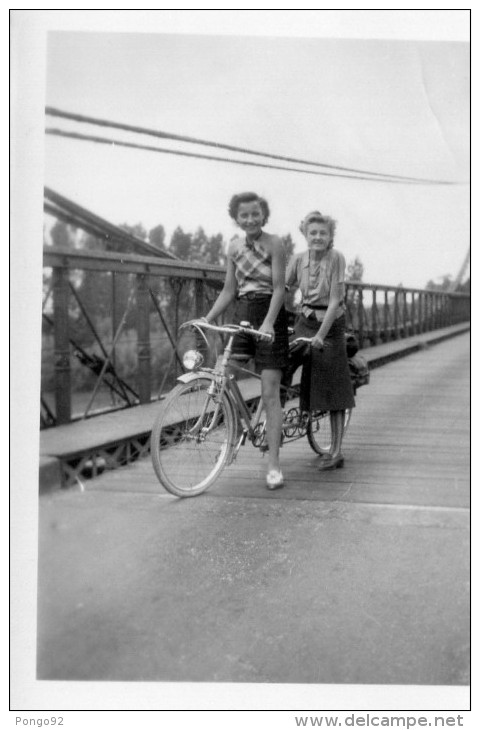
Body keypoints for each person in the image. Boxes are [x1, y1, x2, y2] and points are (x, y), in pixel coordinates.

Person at [203, 192, 289, 490]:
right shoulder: (234, 246)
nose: (250, 220)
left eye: (255, 214)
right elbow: (229, 290)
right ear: (236, 218)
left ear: (263, 216)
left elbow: (279, 288)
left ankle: (274, 464)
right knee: (222, 370)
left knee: (269, 392)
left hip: (270, 313)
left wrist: (268, 322)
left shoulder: (274, 243)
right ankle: (239, 424)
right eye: (244, 216)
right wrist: (209, 317)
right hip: (242, 311)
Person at [283, 210, 355, 470]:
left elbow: (335, 301)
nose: (317, 237)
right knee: (283, 363)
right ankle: (278, 425)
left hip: (331, 325)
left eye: (323, 233)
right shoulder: (298, 259)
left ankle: (336, 452)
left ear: (330, 236)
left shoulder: (336, 258)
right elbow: (283, 288)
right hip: (306, 319)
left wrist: (321, 336)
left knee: (333, 387)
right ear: (304, 234)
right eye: (312, 232)